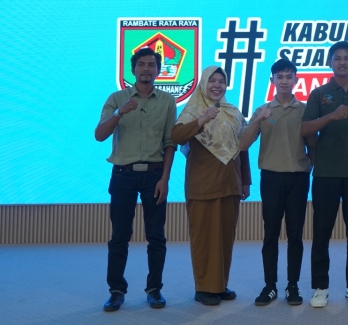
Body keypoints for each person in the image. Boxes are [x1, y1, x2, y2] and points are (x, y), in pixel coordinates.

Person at [95, 47, 176, 312]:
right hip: (123, 175)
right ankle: (116, 291)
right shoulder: (117, 98)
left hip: (154, 175)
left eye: (151, 65)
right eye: (141, 64)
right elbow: (99, 135)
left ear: (158, 70)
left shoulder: (167, 101)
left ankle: (154, 289)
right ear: (133, 69)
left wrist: (165, 179)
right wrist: (120, 113)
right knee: (120, 235)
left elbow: (170, 143)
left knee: (156, 236)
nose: (146, 69)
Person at [301, 41, 348, 308]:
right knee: (322, 231)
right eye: (337, 58)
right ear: (330, 62)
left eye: (347, 58)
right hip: (326, 173)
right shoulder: (319, 94)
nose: (342, 62)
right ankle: (320, 287)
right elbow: (305, 129)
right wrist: (331, 116)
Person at [171, 66, 251, 306]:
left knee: (225, 237)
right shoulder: (194, 109)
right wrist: (202, 119)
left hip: (230, 182)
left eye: (221, 81)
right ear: (204, 83)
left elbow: (242, 147)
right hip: (203, 184)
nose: (217, 85)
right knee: (204, 238)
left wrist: (246, 180)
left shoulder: (233, 112)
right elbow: (177, 136)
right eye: (212, 81)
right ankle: (204, 288)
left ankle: (219, 285)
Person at [243, 59, 316, 306]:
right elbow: (243, 144)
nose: (284, 81)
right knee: (270, 234)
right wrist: (257, 120)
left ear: (296, 80)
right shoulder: (263, 110)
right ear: (272, 80)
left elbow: (313, 145)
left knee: (295, 235)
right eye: (280, 76)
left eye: (289, 76)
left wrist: (310, 168)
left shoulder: (305, 110)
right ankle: (270, 286)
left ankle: (292, 285)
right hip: (271, 178)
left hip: (298, 178)